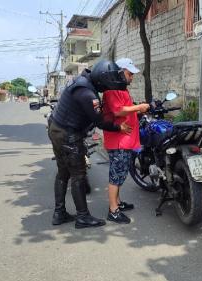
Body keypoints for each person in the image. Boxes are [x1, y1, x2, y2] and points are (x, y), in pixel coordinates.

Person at [48, 60, 132, 229]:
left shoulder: (83, 80)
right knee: (78, 174)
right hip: (68, 134)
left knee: (63, 173)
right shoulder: (87, 93)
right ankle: (83, 217)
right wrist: (118, 126)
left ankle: (59, 213)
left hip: (56, 129)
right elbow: (100, 122)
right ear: (101, 80)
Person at [102, 58, 149, 224]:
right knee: (116, 175)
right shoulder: (111, 91)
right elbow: (118, 111)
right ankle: (113, 210)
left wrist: (138, 111)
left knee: (120, 174)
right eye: (129, 73)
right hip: (118, 142)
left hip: (124, 141)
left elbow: (126, 110)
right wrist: (139, 107)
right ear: (120, 72)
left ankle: (118, 203)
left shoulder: (120, 89)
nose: (132, 77)